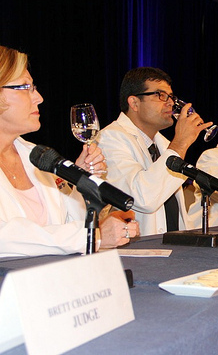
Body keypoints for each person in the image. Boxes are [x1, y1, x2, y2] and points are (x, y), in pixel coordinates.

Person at [0, 46, 139, 257]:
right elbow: (6, 238)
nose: (39, 97)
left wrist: (79, 183)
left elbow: (66, 222)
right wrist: (93, 237)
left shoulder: (36, 156)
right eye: (25, 87)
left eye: (34, 87)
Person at [99, 67, 212, 236]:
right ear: (134, 103)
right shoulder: (110, 138)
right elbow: (142, 198)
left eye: (171, 97)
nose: (171, 103)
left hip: (174, 247)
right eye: (160, 95)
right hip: (135, 253)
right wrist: (180, 143)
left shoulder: (165, 145)